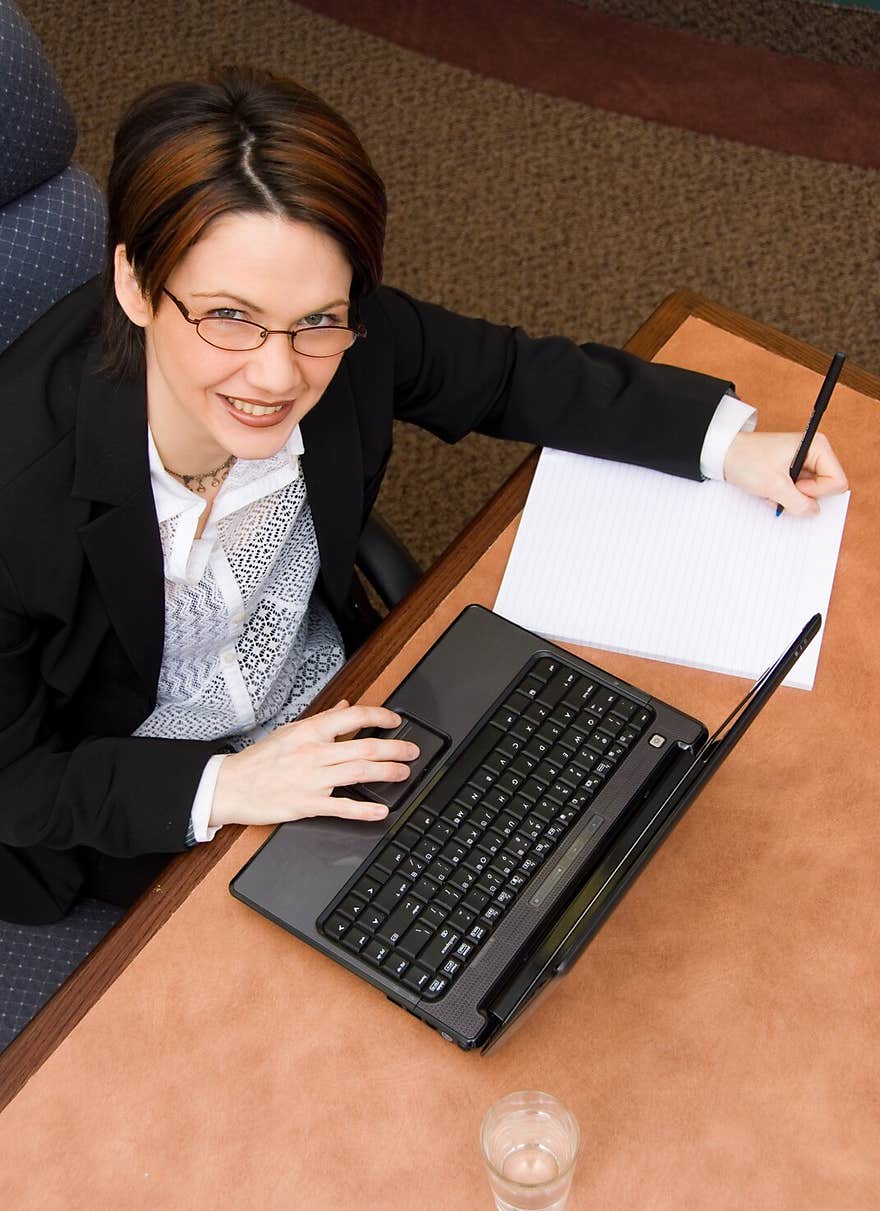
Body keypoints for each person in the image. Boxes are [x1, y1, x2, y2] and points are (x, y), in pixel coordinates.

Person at [0, 67, 848, 927]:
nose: (278, 373)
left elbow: (513, 375)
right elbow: (16, 780)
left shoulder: (349, 337)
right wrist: (230, 784)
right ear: (136, 286)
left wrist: (723, 444)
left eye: (318, 320)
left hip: (339, 703)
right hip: (142, 809)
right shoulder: (16, 492)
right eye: (228, 316)